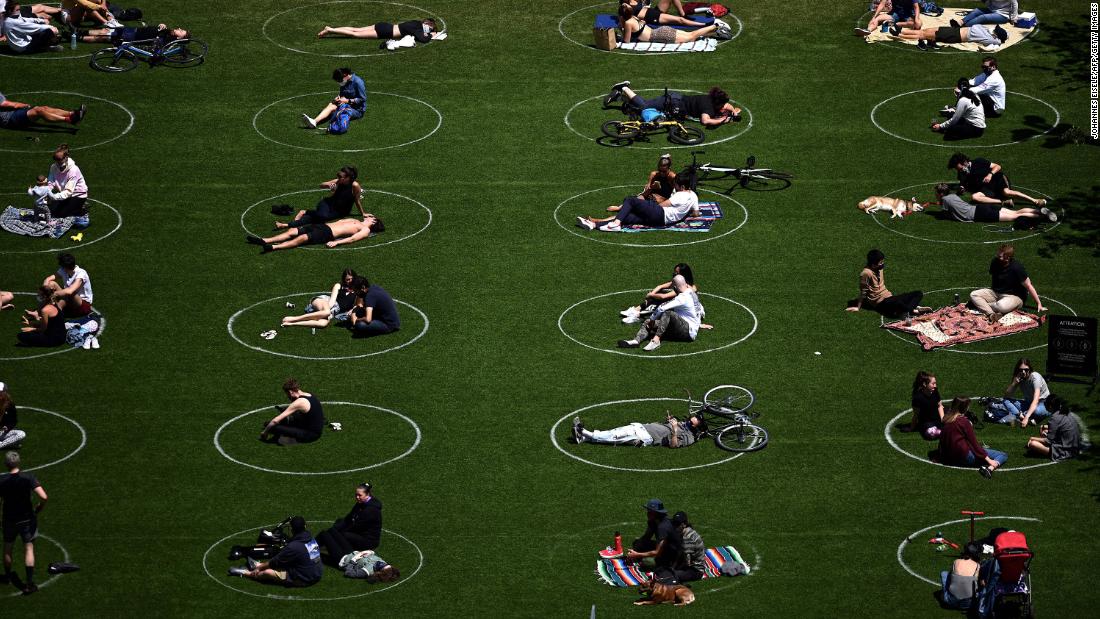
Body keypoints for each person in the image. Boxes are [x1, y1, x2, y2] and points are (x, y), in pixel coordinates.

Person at [0, 451, 48, 595]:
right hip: (27, 519)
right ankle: (28, 584)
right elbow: (44, 496)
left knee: (8, 548)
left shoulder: (2, 481)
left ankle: (8, 577)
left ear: (6, 464)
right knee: (28, 548)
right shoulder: (28, 477)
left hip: (9, 519)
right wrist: (40, 507)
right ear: (18, 462)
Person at [228, 516, 322, 588]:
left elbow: (274, 562)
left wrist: (260, 568)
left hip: (305, 579)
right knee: (286, 560)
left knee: (267, 572)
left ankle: (246, 572)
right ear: (305, 526)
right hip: (316, 573)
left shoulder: (294, 546)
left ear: (293, 530)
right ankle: (257, 565)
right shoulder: (311, 538)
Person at [618, 274, 700, 351]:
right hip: (684, 327)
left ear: (675, 288)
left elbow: (662, 308)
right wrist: (698, 324)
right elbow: (698, 310)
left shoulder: (682, 298)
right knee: (647, 322)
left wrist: (652, 319)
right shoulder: (691, 292)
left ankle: (656, 340)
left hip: (688, 332)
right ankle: (636, 341)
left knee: (668, 313)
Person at [605, 82, 742, 127]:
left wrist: (733, 112)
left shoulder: (711, 100)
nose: (725, 107)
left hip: (675, 101)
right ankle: (624, 88)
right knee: (645, 107)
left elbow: (727, 106)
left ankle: (621, 98)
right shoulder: (707, 107)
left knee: (645, 110)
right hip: (672, 102)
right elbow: (705, 121)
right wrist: (722, 120)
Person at [968, 244, 1045, 323]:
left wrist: (1039, 303)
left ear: (1007, 258)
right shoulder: (995, 262)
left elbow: (1028, 285)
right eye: (998, 255)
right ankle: (991, 314)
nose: (998, 257)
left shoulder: (1017, 268)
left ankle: (979, 305)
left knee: (1001, 306)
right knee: (974, 294)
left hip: (1014, 296)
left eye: (1000, 256)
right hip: (995, 292)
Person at [845, 249, 930, 318]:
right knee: (898, 303)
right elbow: (863, 292)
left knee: (918, 293)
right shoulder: (866, 273)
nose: (883, 264)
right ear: (873, 265)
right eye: (880, 263)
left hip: (889, 297)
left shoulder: (879, 268)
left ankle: (908, 310)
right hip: (879, 303)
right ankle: (913, 310)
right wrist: (858, 307)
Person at [577, 184, 699, 232]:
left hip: (660, 214)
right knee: (628, 217)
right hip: (661, 221)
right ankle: (593, 225)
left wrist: (651, 205)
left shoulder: (680, 194)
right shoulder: (693, 196)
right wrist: (684, 213)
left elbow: (663, 205)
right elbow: (696, 214)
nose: (675, 188)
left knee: (630, 200)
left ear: (682, 186)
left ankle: (616, 224)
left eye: (677, 186)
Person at [937, 397, 1007, 478]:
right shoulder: (964, 422)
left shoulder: (946, 419)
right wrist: (989, 461)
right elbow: (974, 444)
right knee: (1002, 455)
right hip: (963, 457)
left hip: (948, 456)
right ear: (964, 408)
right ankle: (989, 469)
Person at [274, 167, 365, 229]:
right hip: (327, 204)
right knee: (322, 217)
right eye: (338, 175)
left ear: (348, 178)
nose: (338, 177)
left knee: (317, 218)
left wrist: (363, 213)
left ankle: (292, 221)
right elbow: (321, 185)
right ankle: (293, 221)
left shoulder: (355, 186)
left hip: (340, 212)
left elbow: (357, 200)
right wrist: (329, 185)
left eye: (340, 176)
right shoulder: (338, 181)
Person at [948, 153, 1049, 208]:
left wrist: (990, 175)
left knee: (1006, 192)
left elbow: (997, 166)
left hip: (997, 179)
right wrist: (962, 188)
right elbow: (963, 184)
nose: (960, 170)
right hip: (986, 188)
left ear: (965, 162)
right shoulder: (961, 173)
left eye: (960, 168)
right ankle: (1003, 202)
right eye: (958, 169)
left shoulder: (978, 161)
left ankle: (1035, 201)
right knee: (975, 197)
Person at [572, 410, 707, 448]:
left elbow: (674, 445)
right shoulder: (684, 423)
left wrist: (674, 429)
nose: (694, 416)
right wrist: (668, 421)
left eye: (697, 418)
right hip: (643, 427)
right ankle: (583, 438)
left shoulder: (690, 437)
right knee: (614, 433)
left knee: (615, 435)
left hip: (645, 436)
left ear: (697, 425)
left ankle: (583, 432)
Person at [315, 482, 383, 559]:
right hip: (361, 533)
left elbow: (357, 527)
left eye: (360, 495)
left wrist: (337, 532)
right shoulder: (361, 503)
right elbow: (349, 518)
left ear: (367, 495)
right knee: (339, 522)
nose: (357, 497)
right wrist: (336, 528)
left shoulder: (370, 510)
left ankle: (329, 547)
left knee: (342, 534)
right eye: (356, 495)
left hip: (368, 541)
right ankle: (321, 544)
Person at [248, 215, 383, 253]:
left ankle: (274, 247)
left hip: (328, 233)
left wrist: (337, 242)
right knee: (293, 231)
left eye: (371, 217)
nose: (368, 217)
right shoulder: (356, 220)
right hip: (323, 226)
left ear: (373, 221)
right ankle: (266, 240)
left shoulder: (366, 230)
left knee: (302, 238)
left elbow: (353, 239)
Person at [934, 184, 1054, 224]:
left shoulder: (944, 200)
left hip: (979, 214)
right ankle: (1040, 211)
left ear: (940, 194)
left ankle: (1043, 217)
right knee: (1015, 212)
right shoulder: (953, 196)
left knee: (1015, 216)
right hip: (980, 208)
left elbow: (944, 215)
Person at [280, 269, 359, 329]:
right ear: (344, 280)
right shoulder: (338, 286)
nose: (349, 281)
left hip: (333, 310)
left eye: (351, 279)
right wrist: (328, 312)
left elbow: (357, 304)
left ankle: (292, 323)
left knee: (323, 324)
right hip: (325, 301)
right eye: (347, 280)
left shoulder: (357, 292)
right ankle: (293, 319)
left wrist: (352, 310)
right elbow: (332, 301)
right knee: (327, 312)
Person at [617, 4, 729, 44]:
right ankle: (716, 31)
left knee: (691, 36)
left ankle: (716, 26)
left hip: (659, 35)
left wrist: (620, 28)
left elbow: (626, 41)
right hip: (660, 31)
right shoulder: (634, 17)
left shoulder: (628, 23)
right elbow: (643, 22)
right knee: (691, 35)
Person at [985, 358, 1050, 426]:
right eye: (1021, 370)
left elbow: (1036, 400)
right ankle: (1020, 415)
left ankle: (1024, 415)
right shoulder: (1019, 378)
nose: (1023, 372)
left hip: (1043, 403)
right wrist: (1014, 383)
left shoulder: (1035, 378)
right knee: (1005, 401)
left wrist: (1026, 417)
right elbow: (1006, 396)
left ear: (1029, 369)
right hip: (1029, 403)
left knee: (1037, 411)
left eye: (1026, 370)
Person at [260, 379, 325, 445]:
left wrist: (265, 432)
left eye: (287, 394)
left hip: (309, 435)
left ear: (291, 392)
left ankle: (279, 440)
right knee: (275, 424)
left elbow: (275, 421)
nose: (288, 396)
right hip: (313, 428)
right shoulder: (309, 395)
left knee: (270, 426)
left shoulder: (299, 402)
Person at [626, 499, 681, 574]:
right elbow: (646, 538)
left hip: (672, 555)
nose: (647, 514)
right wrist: (635, 549)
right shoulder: (653, 522)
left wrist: (636, 554)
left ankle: (665, 565)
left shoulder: (663, 527)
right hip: (664, 548)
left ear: (657, 513)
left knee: (647, 562)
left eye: (650, 512)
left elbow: (657, 552)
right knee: (637, 543)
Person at [302, 68, 366, 130]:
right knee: (331, 105)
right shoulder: (344, 81)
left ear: (345, 75)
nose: (339, 83)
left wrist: (347, 100)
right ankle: (314, 121)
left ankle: (333, 126)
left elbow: (362, 99)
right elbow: (342, 95)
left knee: (343, 111)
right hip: (345, 104)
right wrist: (338, 98)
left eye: (340, 80)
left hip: (356, 110)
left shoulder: (358, 82)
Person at [1025, 394, 1083, 461]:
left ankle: (1050, 452)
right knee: (1044, 431)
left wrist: (1032, 438)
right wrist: (1044, 427)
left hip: (1066, 452)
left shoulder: (1054, 418)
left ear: (1050, 406)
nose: (1044, 405)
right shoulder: (1065, 411)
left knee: (1033, 444)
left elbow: (1048, 441)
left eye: (1045, 404)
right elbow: (1061, 426)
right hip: (1075, 446)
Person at [45, 144, 90, 222]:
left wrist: (54, 197)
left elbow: (69, 192)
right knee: (51, 209)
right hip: (64, 194)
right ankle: (72, 206)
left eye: (59, 159)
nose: (56, 161)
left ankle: (81, 209)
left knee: (60, 214)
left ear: (66, 158)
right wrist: (47, 192)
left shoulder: (73, 170)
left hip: (77, 195)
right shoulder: (53, 167)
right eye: (55, 158)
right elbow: (50, 181)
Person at [43, 252, 93, 317]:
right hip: (69, 300)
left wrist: (54, 294)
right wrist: (45, 289)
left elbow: (70, 291)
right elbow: (48, 279)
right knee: (51, 284)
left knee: (70, 293)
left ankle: (55, 314)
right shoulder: (64, 270)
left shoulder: (81, 273)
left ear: (65, 267)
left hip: (83, 305)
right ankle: (41, 311)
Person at [894, 23, 1009, 51]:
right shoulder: (987, 31)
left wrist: (999, 40)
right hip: (953, 30)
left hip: (953, 36)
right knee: (925, 31)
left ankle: (900, 33)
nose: (993, 29)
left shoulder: (991, 39)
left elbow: (996, 44)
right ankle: (901, 31)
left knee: (922, 35)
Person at [0, 92, 85, 131]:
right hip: (9, 119)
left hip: (12, 112)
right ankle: (69, 120)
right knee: (39, 111)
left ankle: (73, 114)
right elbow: (6, 104)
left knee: (44, 108)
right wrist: (23, 105)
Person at [317, 17, 437, 42]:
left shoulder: (415, 23)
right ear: (427, 25)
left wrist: (428, 32)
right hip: (385, 32)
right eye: (430, 28)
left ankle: (331, 28)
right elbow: (423, 39)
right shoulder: (417, 28)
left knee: (356, 29)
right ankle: (331, 30)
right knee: (356, 35)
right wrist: (432, 35)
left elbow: (420, 34)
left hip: (383, 25)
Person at [939, 542, 981, 610]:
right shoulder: (977, 566)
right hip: (968, 604)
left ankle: (945, 596)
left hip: (951, 601)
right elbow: (976, 582)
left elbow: (951, 576)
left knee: (944, 573)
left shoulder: (956, 561)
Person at [668, 511, 705, 583]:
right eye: (674, 524)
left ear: (684, 524)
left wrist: (674, 569)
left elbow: (687, 563)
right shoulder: (685, 532)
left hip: (695, 570)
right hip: (688, 563)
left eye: (677, 524)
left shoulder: (687, 538)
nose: (675, 527)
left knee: (669, 576)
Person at [906, 371, 944, 439]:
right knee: (931, 434)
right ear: (924, 384)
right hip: (927, 423)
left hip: (938, 418)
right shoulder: (918, 398)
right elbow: (916, 415)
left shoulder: (935, 391)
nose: (935, 386)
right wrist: (911, 428)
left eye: (935, 383)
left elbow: (940, 406)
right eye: (933, 383)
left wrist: (943, 420)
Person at [79, 22, 189, 45]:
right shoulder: (168, 32)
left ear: (179, 37)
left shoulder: (166, 40)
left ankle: (78, 37)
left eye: (181, 31)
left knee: (103, 37)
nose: (179, 27)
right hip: (133, 31)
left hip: (131, 36)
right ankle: (78, 33)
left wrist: (159, 33)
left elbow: (155, 42)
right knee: (105, 31)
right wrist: (161, 25)